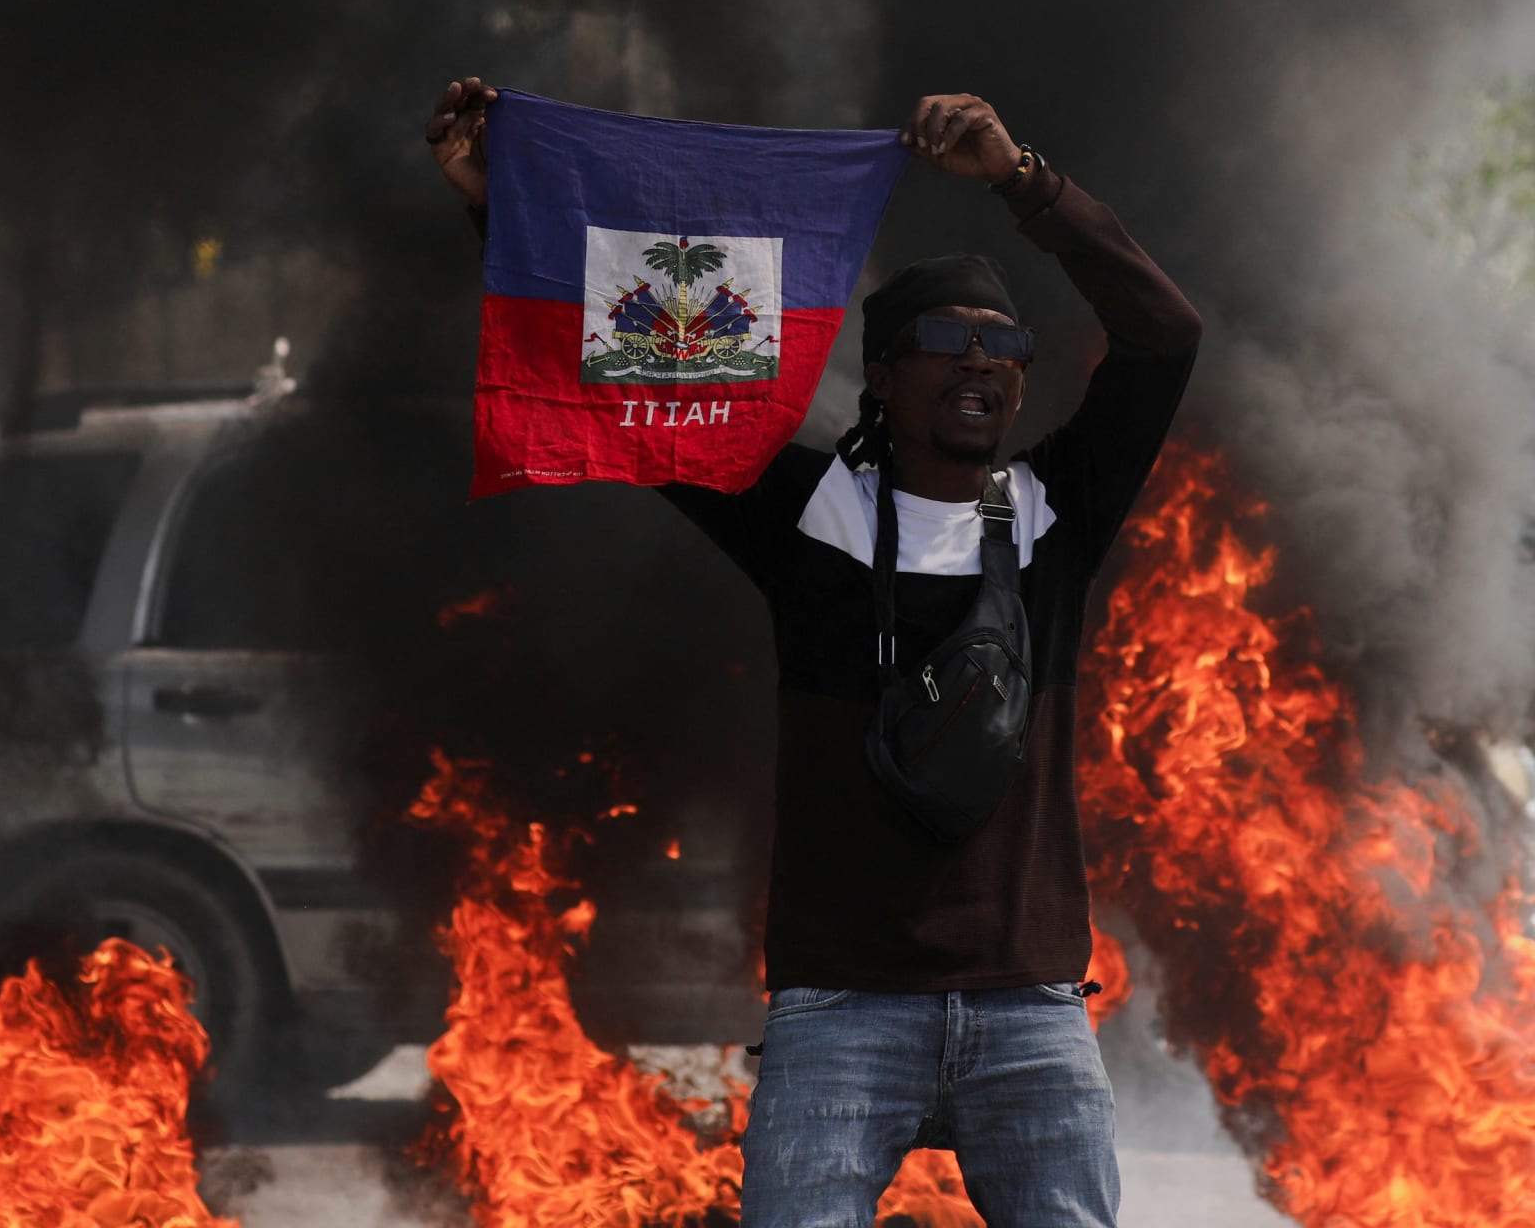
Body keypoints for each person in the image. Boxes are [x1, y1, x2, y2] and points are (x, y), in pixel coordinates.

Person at [427, 77, 1201, 1228]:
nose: (982, 363)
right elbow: (639, 376)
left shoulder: (1058, 511)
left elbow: (1163, 330)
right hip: (842, 1011)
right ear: (881, 376)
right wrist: (503, 205)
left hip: (1030, 1008)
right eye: (947, 342)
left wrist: (1019, 181)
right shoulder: (803, 511)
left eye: (1005, 346)